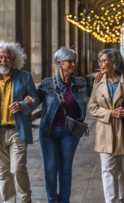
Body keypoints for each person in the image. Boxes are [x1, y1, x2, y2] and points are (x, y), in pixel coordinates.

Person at [0, 40, 40, 202]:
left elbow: (35, 99)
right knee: (3, 172)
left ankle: (25, 200)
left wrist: (24, 105)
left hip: (17, 130)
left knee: (18, 168)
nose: (3, 60)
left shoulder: (24, 77)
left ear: (13, 59)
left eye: (7, 57)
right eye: (0, 57)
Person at [88, 48, 124, 203]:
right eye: (99, 60)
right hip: (105, 133)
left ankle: (121, 199)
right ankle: (111, 200)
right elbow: (92, 107)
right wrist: (110, 114)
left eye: (103, 60)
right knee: (107, 170)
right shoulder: (98, 82)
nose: (100, 63)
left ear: (114, 62)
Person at [35, 47, 88, 203]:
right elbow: (34, 101)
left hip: (70, 133)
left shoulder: (81, 83)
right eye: (69, 61)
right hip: (48, 132)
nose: (73, 64)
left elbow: (97, 93)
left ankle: (64, 200)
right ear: (59, 63)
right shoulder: (46, 84)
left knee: (65, 169)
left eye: (74, 61)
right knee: (50, 168)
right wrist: (24, 104)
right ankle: (52, 200)